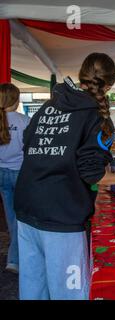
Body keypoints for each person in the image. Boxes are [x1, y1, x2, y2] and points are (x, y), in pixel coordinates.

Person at [13, 53, 115, 300]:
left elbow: (27, 145)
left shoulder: (49, 105)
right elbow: (93, 173)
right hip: (62, 215)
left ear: (82, 76)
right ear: (109, 85)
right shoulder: (95, 116)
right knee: (69, 292)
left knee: (33, 286)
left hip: (27, 205)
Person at [0, 83, 30, 274]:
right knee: (20, 218)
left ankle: (16, 255)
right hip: (20, 173)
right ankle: (14, 259)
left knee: (11, 216)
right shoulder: (25, 121)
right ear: (17, 99)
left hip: (1, 173)